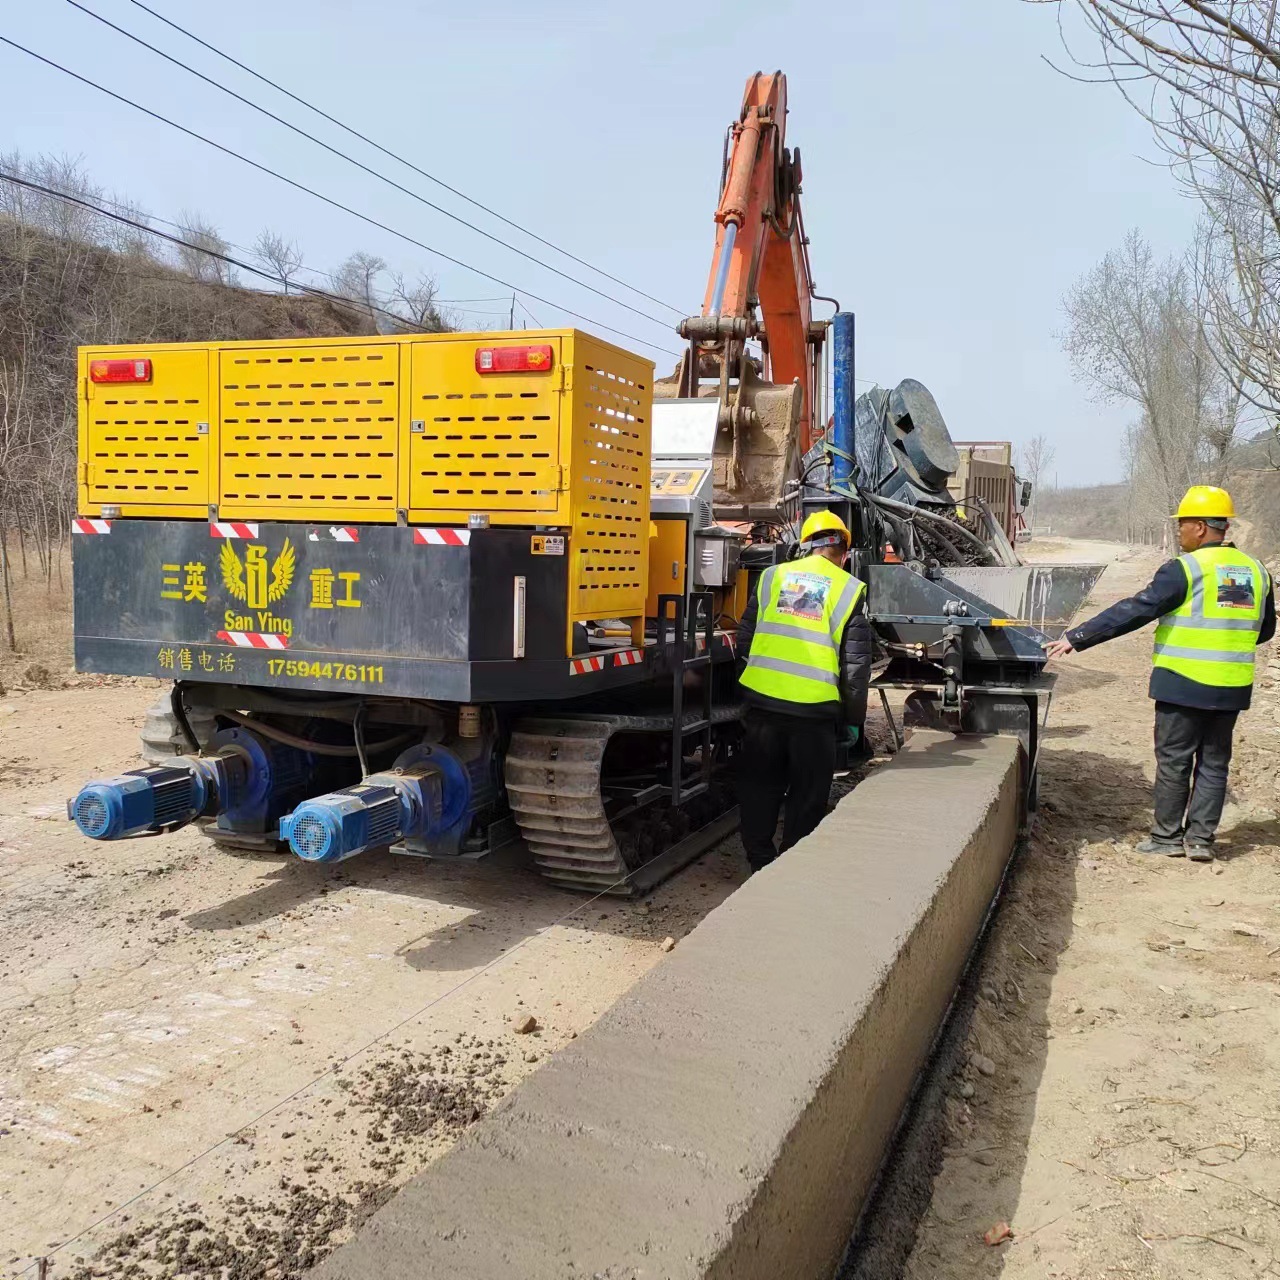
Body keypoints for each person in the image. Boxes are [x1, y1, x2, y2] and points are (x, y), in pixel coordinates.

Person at [1045, 485, 1274, 862]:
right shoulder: (1255, 570)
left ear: (1200, 527)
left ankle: (1167, 838)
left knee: (1175, 761)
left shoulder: (1187, 569)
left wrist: (1078, 637)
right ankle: (1200, 840)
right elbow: (1264, 630)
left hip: (1183, 682)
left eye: (1182, 524)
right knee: (1214, 763)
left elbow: (1137, 610)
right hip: (1231, 687)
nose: (1178, 531)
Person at [735, 509, 873, 871]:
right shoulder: (848, 589)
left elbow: (745, 640)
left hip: (763, 708)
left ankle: (760, 862)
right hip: (815, 715)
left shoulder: (771, 577)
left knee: (759, 788)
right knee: (807, 796)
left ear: (804, 547)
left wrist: (751, 687)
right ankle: (790, 868)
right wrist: (853, 722)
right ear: (844, 552)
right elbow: (856, 670)